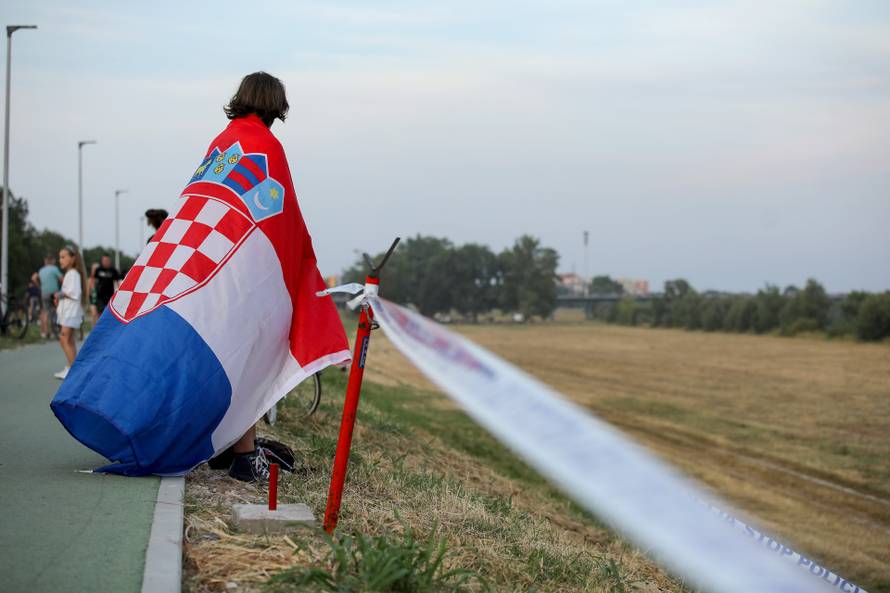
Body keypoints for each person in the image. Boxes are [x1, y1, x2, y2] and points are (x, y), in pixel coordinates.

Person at [53, 246, 87, 379]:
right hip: (69, 311)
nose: (60, 260)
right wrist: (60, 296)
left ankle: (73, 372)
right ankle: (71, 368)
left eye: (63, 257)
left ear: (72, 259)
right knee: (69, 340)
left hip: (70, 312)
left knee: (64, 339)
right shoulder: (71, 273)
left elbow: (74, 293)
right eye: (59, 257)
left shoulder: (72, 274)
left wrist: (60, 294)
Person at [38, 255, 63, 338]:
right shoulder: (54, 268)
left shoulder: (41, 270)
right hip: (53, 293)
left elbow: (37, 279)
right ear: (52, 261)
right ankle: (54, 331)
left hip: (44, 293)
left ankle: (44, 333)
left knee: (45, 312)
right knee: (57, 310)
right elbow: (61, 279)